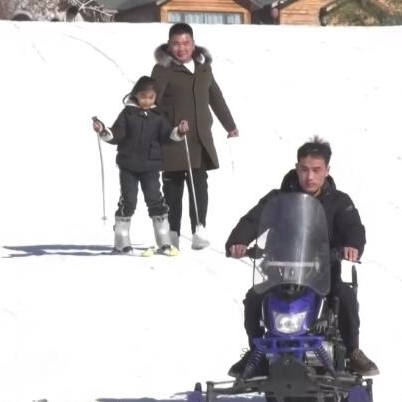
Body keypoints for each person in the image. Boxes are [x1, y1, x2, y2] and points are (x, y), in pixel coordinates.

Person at [224, 136, 379, 377]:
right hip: (280, 272)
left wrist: (352, 245)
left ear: (327, 170)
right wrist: (239, 241)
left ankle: (353, 351)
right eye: (305, 169)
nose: (310, 176)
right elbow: (253, 219)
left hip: (322, 274)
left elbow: (353, 227)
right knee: (253, 299)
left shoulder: (338, 201)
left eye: (316, 170)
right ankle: (257, 352)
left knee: (345, 296)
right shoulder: (277, 199)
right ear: (296, 168)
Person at [150, 22, 239, 250]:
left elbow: (215, 97)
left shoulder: (203, 68)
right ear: (169, 45)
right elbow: (152, 102)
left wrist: (229, 125)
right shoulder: (162, 70)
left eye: (186, 43)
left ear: (193, 43)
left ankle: (199, 229)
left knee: (199, 183)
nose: (181, 48)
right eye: (176, 44)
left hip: (199, 137)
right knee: (173, 187)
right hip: (173, 138)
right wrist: (165, 128)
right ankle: (172, 234)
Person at [92, 76, 191, 256]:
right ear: (136, 95)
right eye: (143, 96)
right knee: (128, 200)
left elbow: (167, 135)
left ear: (155, 97)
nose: (147, 101)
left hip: (151, 166)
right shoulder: (127, 114)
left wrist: (179, 131)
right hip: (128, 166)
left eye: (151, 97)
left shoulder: (158, 116)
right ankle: (121, 241)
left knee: (155, 199)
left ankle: (164, 241)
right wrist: (104, 131)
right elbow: (117, 134)